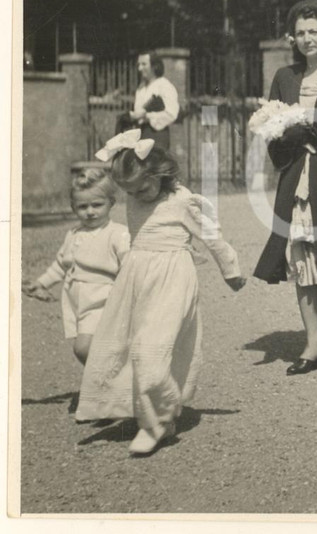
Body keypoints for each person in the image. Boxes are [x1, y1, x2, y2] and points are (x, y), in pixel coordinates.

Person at [76, 131, 245, 455]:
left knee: (149, 350)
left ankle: (164, 412)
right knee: (127, 345)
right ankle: (148, 417)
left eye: (143, 187)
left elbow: (212, 237)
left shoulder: (181, 200)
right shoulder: (136, 196)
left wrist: (231, 270)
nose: (138, 195)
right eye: (130, 191)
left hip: (172, 280)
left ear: (160, 173)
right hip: (138, 280)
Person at [252, 0, 317, 376]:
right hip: (297, 178)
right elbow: (273, 135)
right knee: (301, 254)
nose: (307, 39)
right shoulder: (285, 77)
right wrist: (290, 135)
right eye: (301, 32)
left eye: (315, 32)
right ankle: (315, 341)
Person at [23, 168, 130, 365]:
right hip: (79, 304)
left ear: (111, 203)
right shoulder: (73, 234)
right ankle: (110, 381)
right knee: (90, 349)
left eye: (97, 205)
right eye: (83, 207)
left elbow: (129, 267)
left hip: (104, 301)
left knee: (83, 348)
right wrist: (41, 283)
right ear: (73, 207)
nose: (90, 212)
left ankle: (108, 381)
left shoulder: (118, 234)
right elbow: (60, 265)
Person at [123, 52, 180, 152]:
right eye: (139, 65)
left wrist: (147, 116)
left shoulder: (164, 85)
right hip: (141, 135)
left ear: (154, 66)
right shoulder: (141, 88)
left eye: (144, 64)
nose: (140, 68)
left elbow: (171, 113)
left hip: (157, 136)